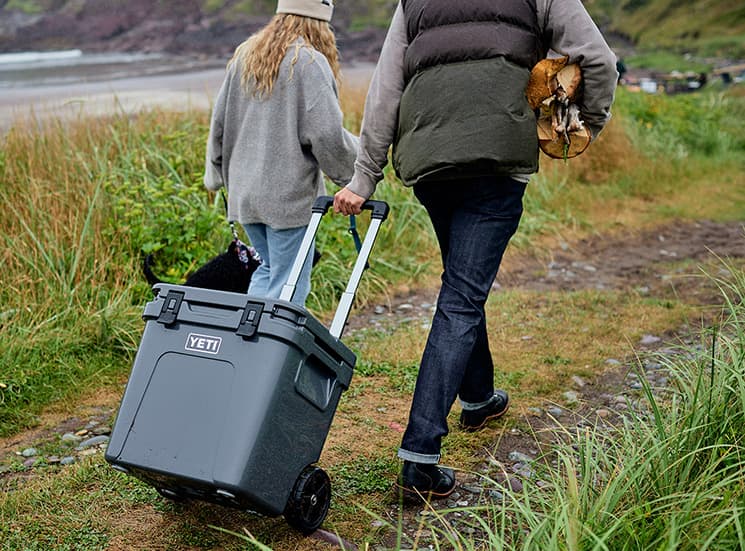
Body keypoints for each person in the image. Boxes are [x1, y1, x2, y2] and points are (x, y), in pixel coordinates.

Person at [333, 0, 618, 499]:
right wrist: (586, 123)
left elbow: (385, 90)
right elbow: (598, 59)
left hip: (429, 163)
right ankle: (420, 455)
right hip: (496, 162)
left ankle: (479, 398)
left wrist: (365, 176)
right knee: (462, 298)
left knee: (461, 284)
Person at [204, 0, 358, 306]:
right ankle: (273, 351)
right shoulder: (309, 63)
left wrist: (216, 175)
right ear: (320, 22)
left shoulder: (245, 56)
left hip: (245, 195)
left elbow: (218, 124)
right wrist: (357, 170)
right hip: (287, 198)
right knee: (290, 281)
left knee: (268, 270)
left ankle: (250, 344)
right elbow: (326, 134)